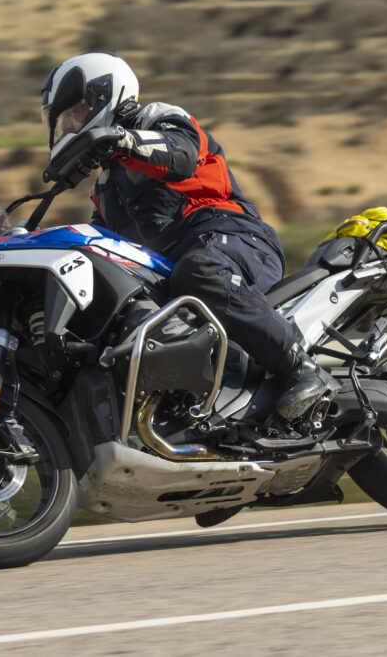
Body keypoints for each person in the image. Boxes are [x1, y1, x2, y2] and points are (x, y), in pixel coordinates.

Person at [41, 51, 329, 419]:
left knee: (199, 273)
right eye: (64, 119)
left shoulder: (158, 118)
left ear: (102, 96)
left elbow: (182, 155)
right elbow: (101, 246)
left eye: (75, 112)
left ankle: (301, 367)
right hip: (178, 275)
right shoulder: (106, 186)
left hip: (236, 240)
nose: (69, 125)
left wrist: (122, 140)